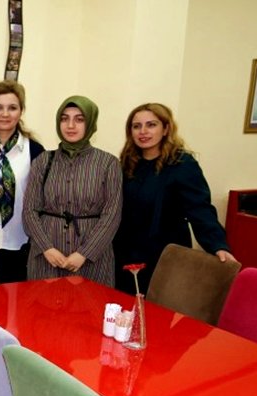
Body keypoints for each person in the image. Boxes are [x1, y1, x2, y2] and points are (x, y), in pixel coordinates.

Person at [114, 103, 235, 294]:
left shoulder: (183, 164)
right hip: (127, 253)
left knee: (159, 307)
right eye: (136, 126)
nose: (143, 131)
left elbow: (200, 209)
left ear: (166, 129)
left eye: (151, 125)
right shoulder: (127, 163)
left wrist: (217, 245)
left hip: (165, 254)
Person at [23, 95, 122, 286]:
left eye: (79, 119)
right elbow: (29, 210)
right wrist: (47, 248)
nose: (70, 125)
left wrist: (84, 253)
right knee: (45, 304)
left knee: (89, 304)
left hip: (92, 260)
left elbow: (112, 215)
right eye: (64, 118)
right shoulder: (43, 161)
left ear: (90, 123)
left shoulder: (108, 164)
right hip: (47, 258)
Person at [0, 80, 46, 284]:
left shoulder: (35, 151)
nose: (5, 114)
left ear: (21, 111)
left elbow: (39, 199)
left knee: (13, 300)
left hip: (19, 242)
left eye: (12, 108)